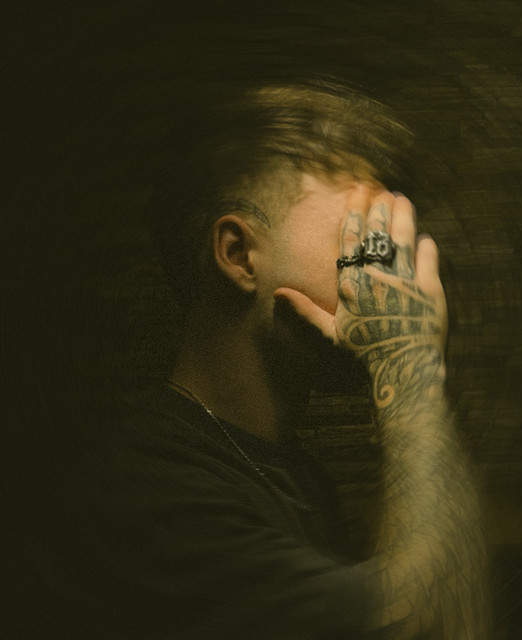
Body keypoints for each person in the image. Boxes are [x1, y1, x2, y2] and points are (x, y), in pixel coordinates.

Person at [57, 81, 490, 639]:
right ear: (239, 255)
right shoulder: (147, 494)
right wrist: (409, 362)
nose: (391, 276)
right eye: (362, 240)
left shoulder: (290, 473)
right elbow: (437, 627)